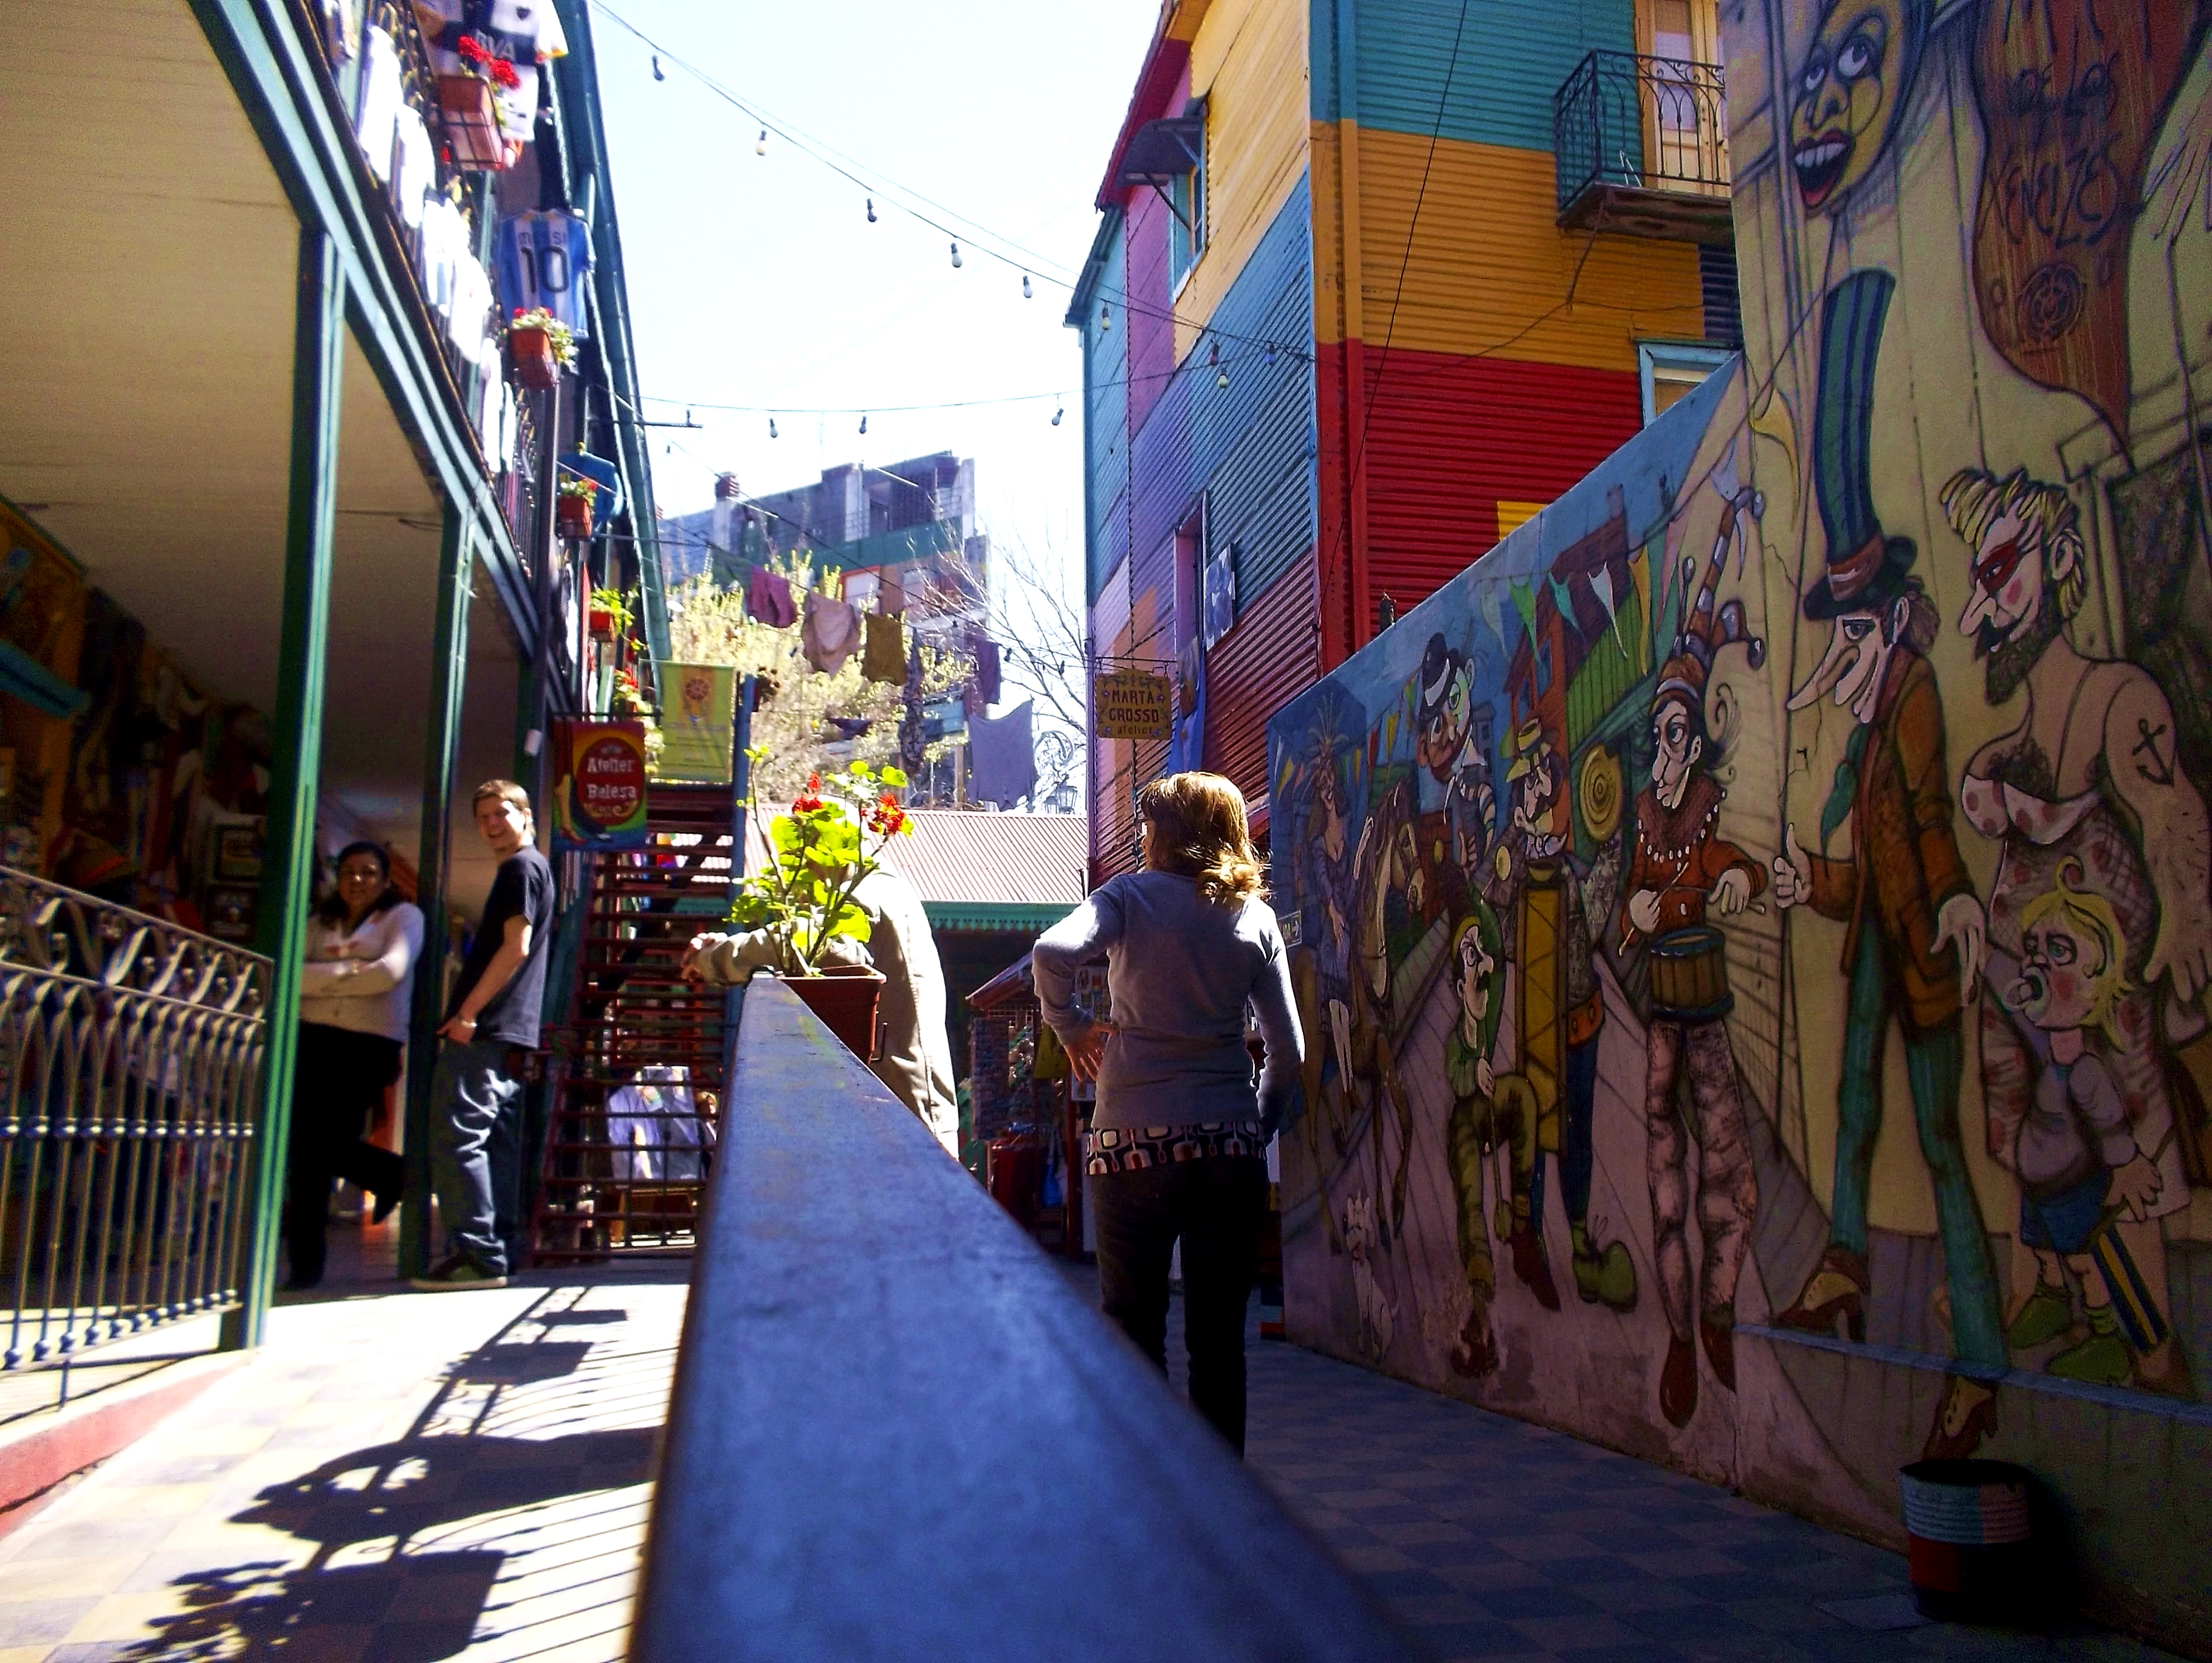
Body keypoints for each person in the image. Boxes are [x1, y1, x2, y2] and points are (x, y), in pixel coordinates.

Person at [1032, 772, 1302, 1456]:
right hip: (1227, 1148)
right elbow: (1287, 1051)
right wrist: (1256, 1126)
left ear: (1163, 834)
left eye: (1144, 827)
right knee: (1217, 1342)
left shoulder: (1124, 897)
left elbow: (1052, 952)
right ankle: (1221, 1505)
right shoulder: (1255, 917)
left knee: (1132, 1329)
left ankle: (1152, 1501)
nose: (1138, 840)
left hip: (1130, 1145)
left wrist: (1069, 1027)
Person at [682, 860, 959, 1157]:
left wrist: (714, 960)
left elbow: (811, 940)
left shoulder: (865, 894)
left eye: (808, 859)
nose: (802, 869)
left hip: (903, 1119)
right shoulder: (888, 889)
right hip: (904, 1110)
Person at [413, 779, 555, 1292]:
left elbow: (515, 946)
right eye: (484, 818)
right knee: (494, 1140)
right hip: (510, 1028)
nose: (492, 825)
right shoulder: (533, 868)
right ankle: (501, 1247)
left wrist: (468, 1012)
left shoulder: (521, 867)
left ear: (524, 815)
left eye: (501, 814)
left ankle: (477, 1253)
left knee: (459, 1137)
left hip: (489, 1025)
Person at [286, 841, 418, 1289]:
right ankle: (305, 1265)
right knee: (306, 1152)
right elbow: (290, 973)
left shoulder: (403, 918)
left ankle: (394, 1176)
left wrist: (321, 977)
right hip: (313, 1040)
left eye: (367, 872)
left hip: (369, 1046)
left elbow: (391, 972)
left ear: (384, 879)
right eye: (348, 872)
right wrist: (354, 973)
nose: (356, 880)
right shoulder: (319, 922)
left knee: (317, 1144)